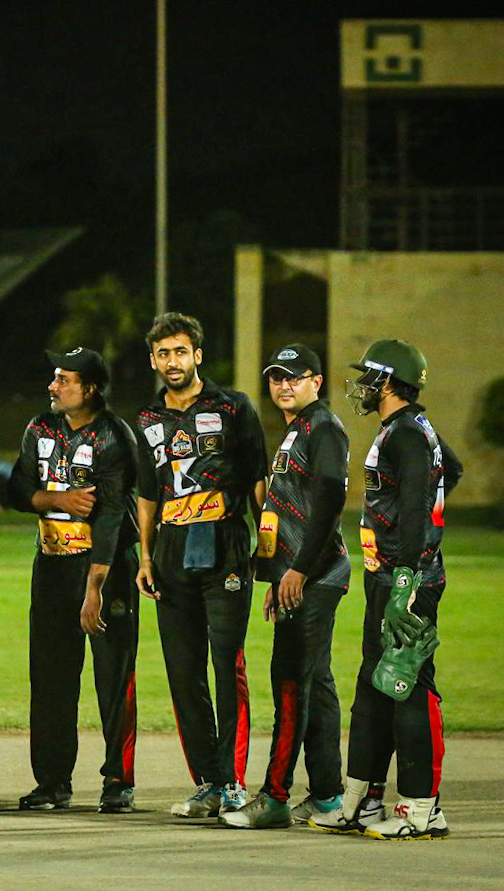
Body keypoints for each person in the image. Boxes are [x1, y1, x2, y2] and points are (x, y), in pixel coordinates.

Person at [310, 338, 462, 840]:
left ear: (390, 381)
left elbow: (418, 505)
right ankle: (363, 801)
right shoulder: (406, 429)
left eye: (370, 376)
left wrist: (407, 578)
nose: (363, 385)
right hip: (388, 577)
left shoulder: (408, 435)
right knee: (373, 689)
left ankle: (422, 809)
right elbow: (450, 473)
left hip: (407, 581)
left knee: (407, 684)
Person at [133, 312, 267, 819]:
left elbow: (257, 479)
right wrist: (146, 557)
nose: (173, 361)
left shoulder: (233, 407)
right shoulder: (146, 420)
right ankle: (208, 782)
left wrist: (269, 549)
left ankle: (234, 782)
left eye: (180, 352)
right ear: (153, 361)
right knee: (183, 673)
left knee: (227, 665)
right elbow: (147, 494)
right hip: (171, 553)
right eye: (163, 353)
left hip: (225, 545)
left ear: (198, 356)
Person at [220, 344, 350, 830]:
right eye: (277, 377)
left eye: (294, 377)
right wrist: (277, 575)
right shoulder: (300, 429)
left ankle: (275, 796)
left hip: (314, 577)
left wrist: (299, 569)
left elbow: (330, 498)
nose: (284, 385)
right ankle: (328, 797)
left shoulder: (324, 428)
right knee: (317, 685)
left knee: (291, 683)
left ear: (317, 381)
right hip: (298, 577)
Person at [8, 348, 141, 813]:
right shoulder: (39, 428)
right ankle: (52, 781)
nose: (53, 386)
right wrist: (55, 499)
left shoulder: (113, 435)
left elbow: (111, 516)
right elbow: (18, 489)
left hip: (107, 569)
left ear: (90, 388)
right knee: (50, 676)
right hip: (52, 566)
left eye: (64, 379)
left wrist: (95, 589)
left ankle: (118, 780)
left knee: (114, 676)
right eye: (54, 377)